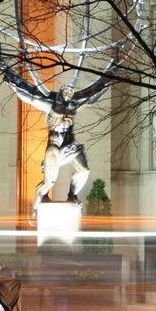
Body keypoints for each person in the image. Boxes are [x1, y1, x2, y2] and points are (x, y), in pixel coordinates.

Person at [8, 81, 105, 216]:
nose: (68, 94)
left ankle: (72, 195)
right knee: (49, 181)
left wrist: (105, 84)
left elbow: (91, 98)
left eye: (71, 92)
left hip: (70, 144)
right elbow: (30, 97)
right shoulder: (50, 106)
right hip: (55, 146)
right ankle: (38, 203)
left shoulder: (74, 107)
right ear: (60, 92)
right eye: (66, 91)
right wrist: (14, 86)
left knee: (84, 170)